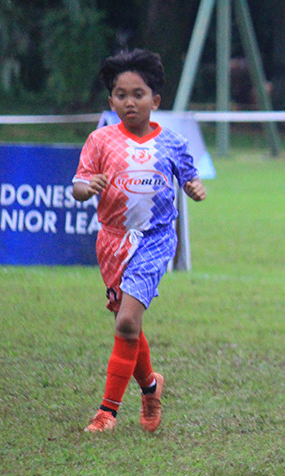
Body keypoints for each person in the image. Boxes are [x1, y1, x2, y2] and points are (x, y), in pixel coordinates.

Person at [73, 49, 207, 433]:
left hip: (154, 241)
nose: (129, 102)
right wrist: (87, 188)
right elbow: (80, 186)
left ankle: (106, 413)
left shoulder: (173, 143)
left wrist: (195, 188)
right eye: (120, 94)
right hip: (112, 242)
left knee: (128, 321)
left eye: (138, 94)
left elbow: (189, 178)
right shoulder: (100, 141)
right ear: (111, 100)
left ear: (156, 100)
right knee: (126, 323)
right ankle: (151, 387)